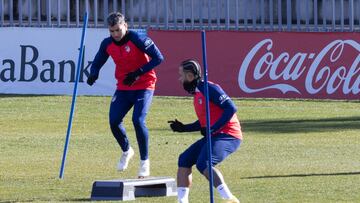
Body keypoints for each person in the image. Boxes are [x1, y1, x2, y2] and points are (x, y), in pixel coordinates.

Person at [87, 12, 164, 178]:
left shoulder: (137, 39)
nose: (115, 34)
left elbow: (159, 58)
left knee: (138, 120)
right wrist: (94, 72)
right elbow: (98, 60)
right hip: (123, 87)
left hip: (144, 85)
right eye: (112, 31)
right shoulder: (107, 43)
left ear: (125, 26)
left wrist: (138, 73)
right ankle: (127, 150)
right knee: (114, 121)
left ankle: (145, 163)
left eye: (118, 30)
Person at [168, 59, 242, 203]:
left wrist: (214, 128)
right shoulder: (198, 94)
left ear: (190, 76)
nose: (180, 79)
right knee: (184, 159)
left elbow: (231, 108)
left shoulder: (209, 88)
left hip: (228, 135)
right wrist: (184, 128)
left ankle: (229, 198)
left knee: (204, 163)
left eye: (181, 75)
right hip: (215, 134)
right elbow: (205, 122)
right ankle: (182, 201)